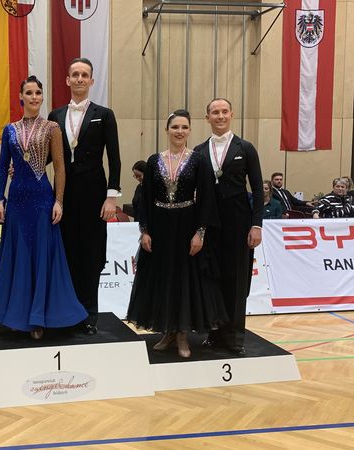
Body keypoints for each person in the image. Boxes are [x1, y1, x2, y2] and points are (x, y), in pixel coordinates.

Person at [0, 76, 87, 339]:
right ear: (21, 97)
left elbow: (60, 167)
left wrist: (59, 201)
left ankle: (39, 317)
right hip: (17, 200)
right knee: (19, 255)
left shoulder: (52, 128)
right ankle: (17, 315)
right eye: (29, 93)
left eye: (38, 92)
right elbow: (1, 167)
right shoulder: (9, 130)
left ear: (42, 96)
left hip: (42, 199)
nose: (34, 97)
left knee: (42, 255)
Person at [126, 110, 226, 358]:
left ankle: (182, 334)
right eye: (175, 127)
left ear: (190, 130)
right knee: (163, 280)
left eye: (184, 127)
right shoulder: (154, 161)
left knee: (183, 281)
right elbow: (146, 199)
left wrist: (200, 232)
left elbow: (207, 198)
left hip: (186, 226)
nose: (179, 131)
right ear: (167, 130)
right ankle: (168, 331)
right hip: (160, 228)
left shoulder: (199, 160)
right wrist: (144, 230)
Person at [48, 58, 121, 334]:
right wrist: (21, 163)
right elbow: (48, 156)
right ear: (67, 80)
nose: (79, 78)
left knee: (91, 255)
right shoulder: (55, 115)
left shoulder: (105, 114)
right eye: (75, 74)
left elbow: (114, 158)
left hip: (94, 194)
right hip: (63, 194)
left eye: (84, 75)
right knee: (66, 253)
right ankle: (67, 313)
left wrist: (111, 197)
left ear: (91, 81)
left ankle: (89, 314)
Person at [194, 98, 263, 355]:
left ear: (231, 114)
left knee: (236, 280)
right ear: (207, 118)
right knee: (212, 279)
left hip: (239, 224)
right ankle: (214, 333)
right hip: (210, 225)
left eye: (224, 111)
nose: (220, 116)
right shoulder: (200, 151)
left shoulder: (246, 148)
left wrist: (256, 225)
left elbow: (258, 188)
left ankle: (234, 337)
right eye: (215, 112)